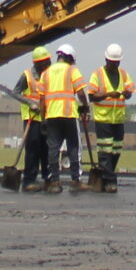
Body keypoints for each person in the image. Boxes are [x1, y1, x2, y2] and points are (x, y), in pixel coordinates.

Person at [83, 43, 136, 194]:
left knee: (116, 150)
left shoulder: (123, 74)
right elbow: (92, 96)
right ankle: (110, 181)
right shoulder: (97, 74)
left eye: (117, 62)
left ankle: (106, 176)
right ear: (106, 60)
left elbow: (130, 90)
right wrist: (108, 94)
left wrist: (127, 94)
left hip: (118, 119)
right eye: (113, 62)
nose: (115, 65)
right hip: (103, 119)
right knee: (105, 151)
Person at [42, 42, 86, 194]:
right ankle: (75, 181)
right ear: (69, 58)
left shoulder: (46, 72)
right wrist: (85, 106)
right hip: (68, 115)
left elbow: (41, 98)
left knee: (53, 149)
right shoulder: (72, 70)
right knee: (73, 147)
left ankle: (55, 181)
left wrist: (43, 119)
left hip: (52, 115)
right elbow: (81, 92)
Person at [15, 47, 52, 193]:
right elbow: (16, 92)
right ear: (37, 63)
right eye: (45, 62)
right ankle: (29, 180)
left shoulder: (49, 75)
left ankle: (48, 179)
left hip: (46, 118)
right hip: (32, 118)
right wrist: (30, 103)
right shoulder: (27, 76)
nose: (48, 64)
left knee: (47, 149)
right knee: (33, 149)